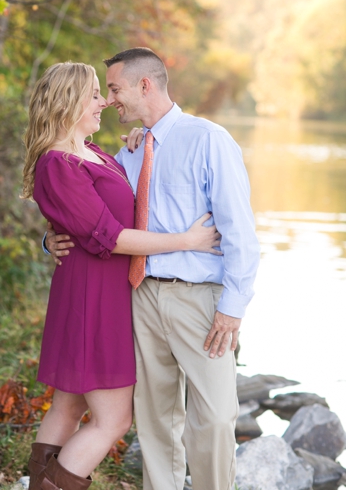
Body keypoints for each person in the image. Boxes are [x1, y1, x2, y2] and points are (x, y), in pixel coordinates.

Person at [46, 48, 259, 490]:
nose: (109, 99)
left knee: (217, 417)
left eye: (115, 88)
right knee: (156, 419)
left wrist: (233, 308)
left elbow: (240, 231)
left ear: (145, 85)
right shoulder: (127, 153)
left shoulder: (208, 139)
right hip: (139, 296)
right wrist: (49, 240)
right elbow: (86, 210)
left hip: (198, 300)